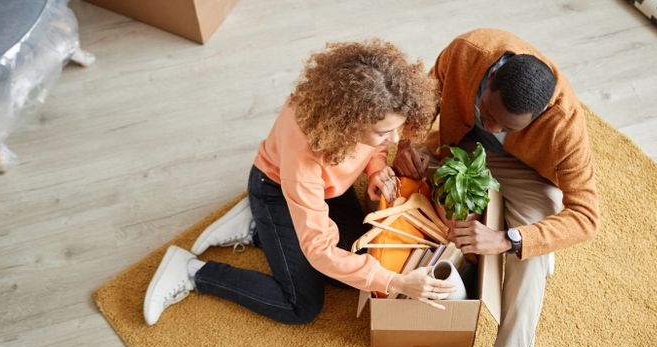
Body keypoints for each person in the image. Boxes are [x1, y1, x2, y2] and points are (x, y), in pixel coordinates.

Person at [393, 29, 600, 347]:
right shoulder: (469, 51)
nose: (494, 126)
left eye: (507, 125)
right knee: (413, 183)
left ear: (539, 115)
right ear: (490, 77)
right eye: (488, 112)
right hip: (460, 148)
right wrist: (408, 143)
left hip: (528, 173)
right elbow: (426, 101)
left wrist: (507, 240)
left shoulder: (565, 125)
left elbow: (586, 217)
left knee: (532, 252)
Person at [143, 40, 454, 326]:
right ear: (351, 121)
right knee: (301, 305)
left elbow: (374, 147)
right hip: (276, 190)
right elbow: (319, 249)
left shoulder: (369, 104)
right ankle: (192, 271)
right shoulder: (304, 156)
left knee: (360, 268)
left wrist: (374, 169)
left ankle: (257, 230)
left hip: (329, 189)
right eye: (384, 133)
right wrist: (397, 283)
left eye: (395, 129)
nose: (394, 140)